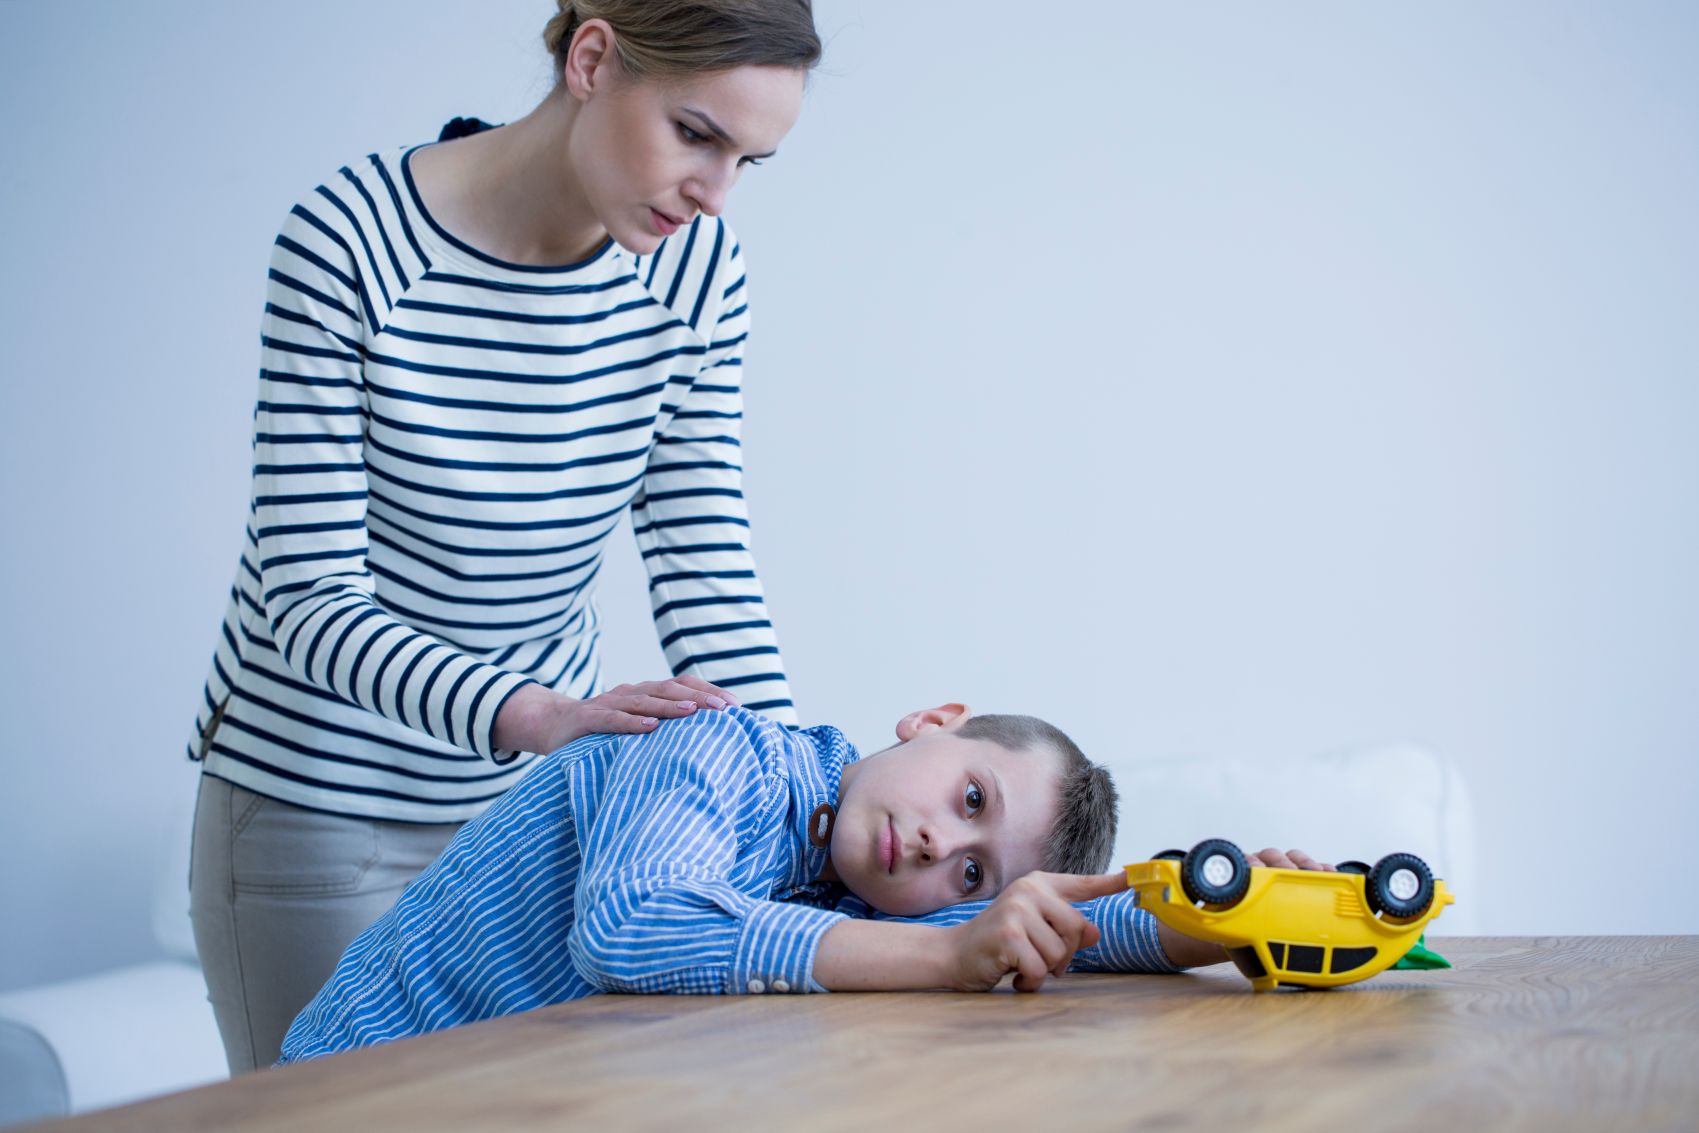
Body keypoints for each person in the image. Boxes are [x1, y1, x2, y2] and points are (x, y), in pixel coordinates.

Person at [187, 0, 824, 1072]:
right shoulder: (351, 239)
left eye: (747, 161)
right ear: (590, 59)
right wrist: (539, 713)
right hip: (318, 801)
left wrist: (804, 780)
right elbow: (306, 601)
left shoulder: (696, 274)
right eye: (695, 134)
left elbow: (701, 540)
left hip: (523, 819)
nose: (713, 195)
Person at [278, 702, 1334, 1062]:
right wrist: (942, 952)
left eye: (973, 868)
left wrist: (1225, 922)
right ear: (929, 720)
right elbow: (630, 926)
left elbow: (1045, 928)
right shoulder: (716, 749)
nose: (936, 848)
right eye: (968, 797)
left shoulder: (861, 900)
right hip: (355, 1089)